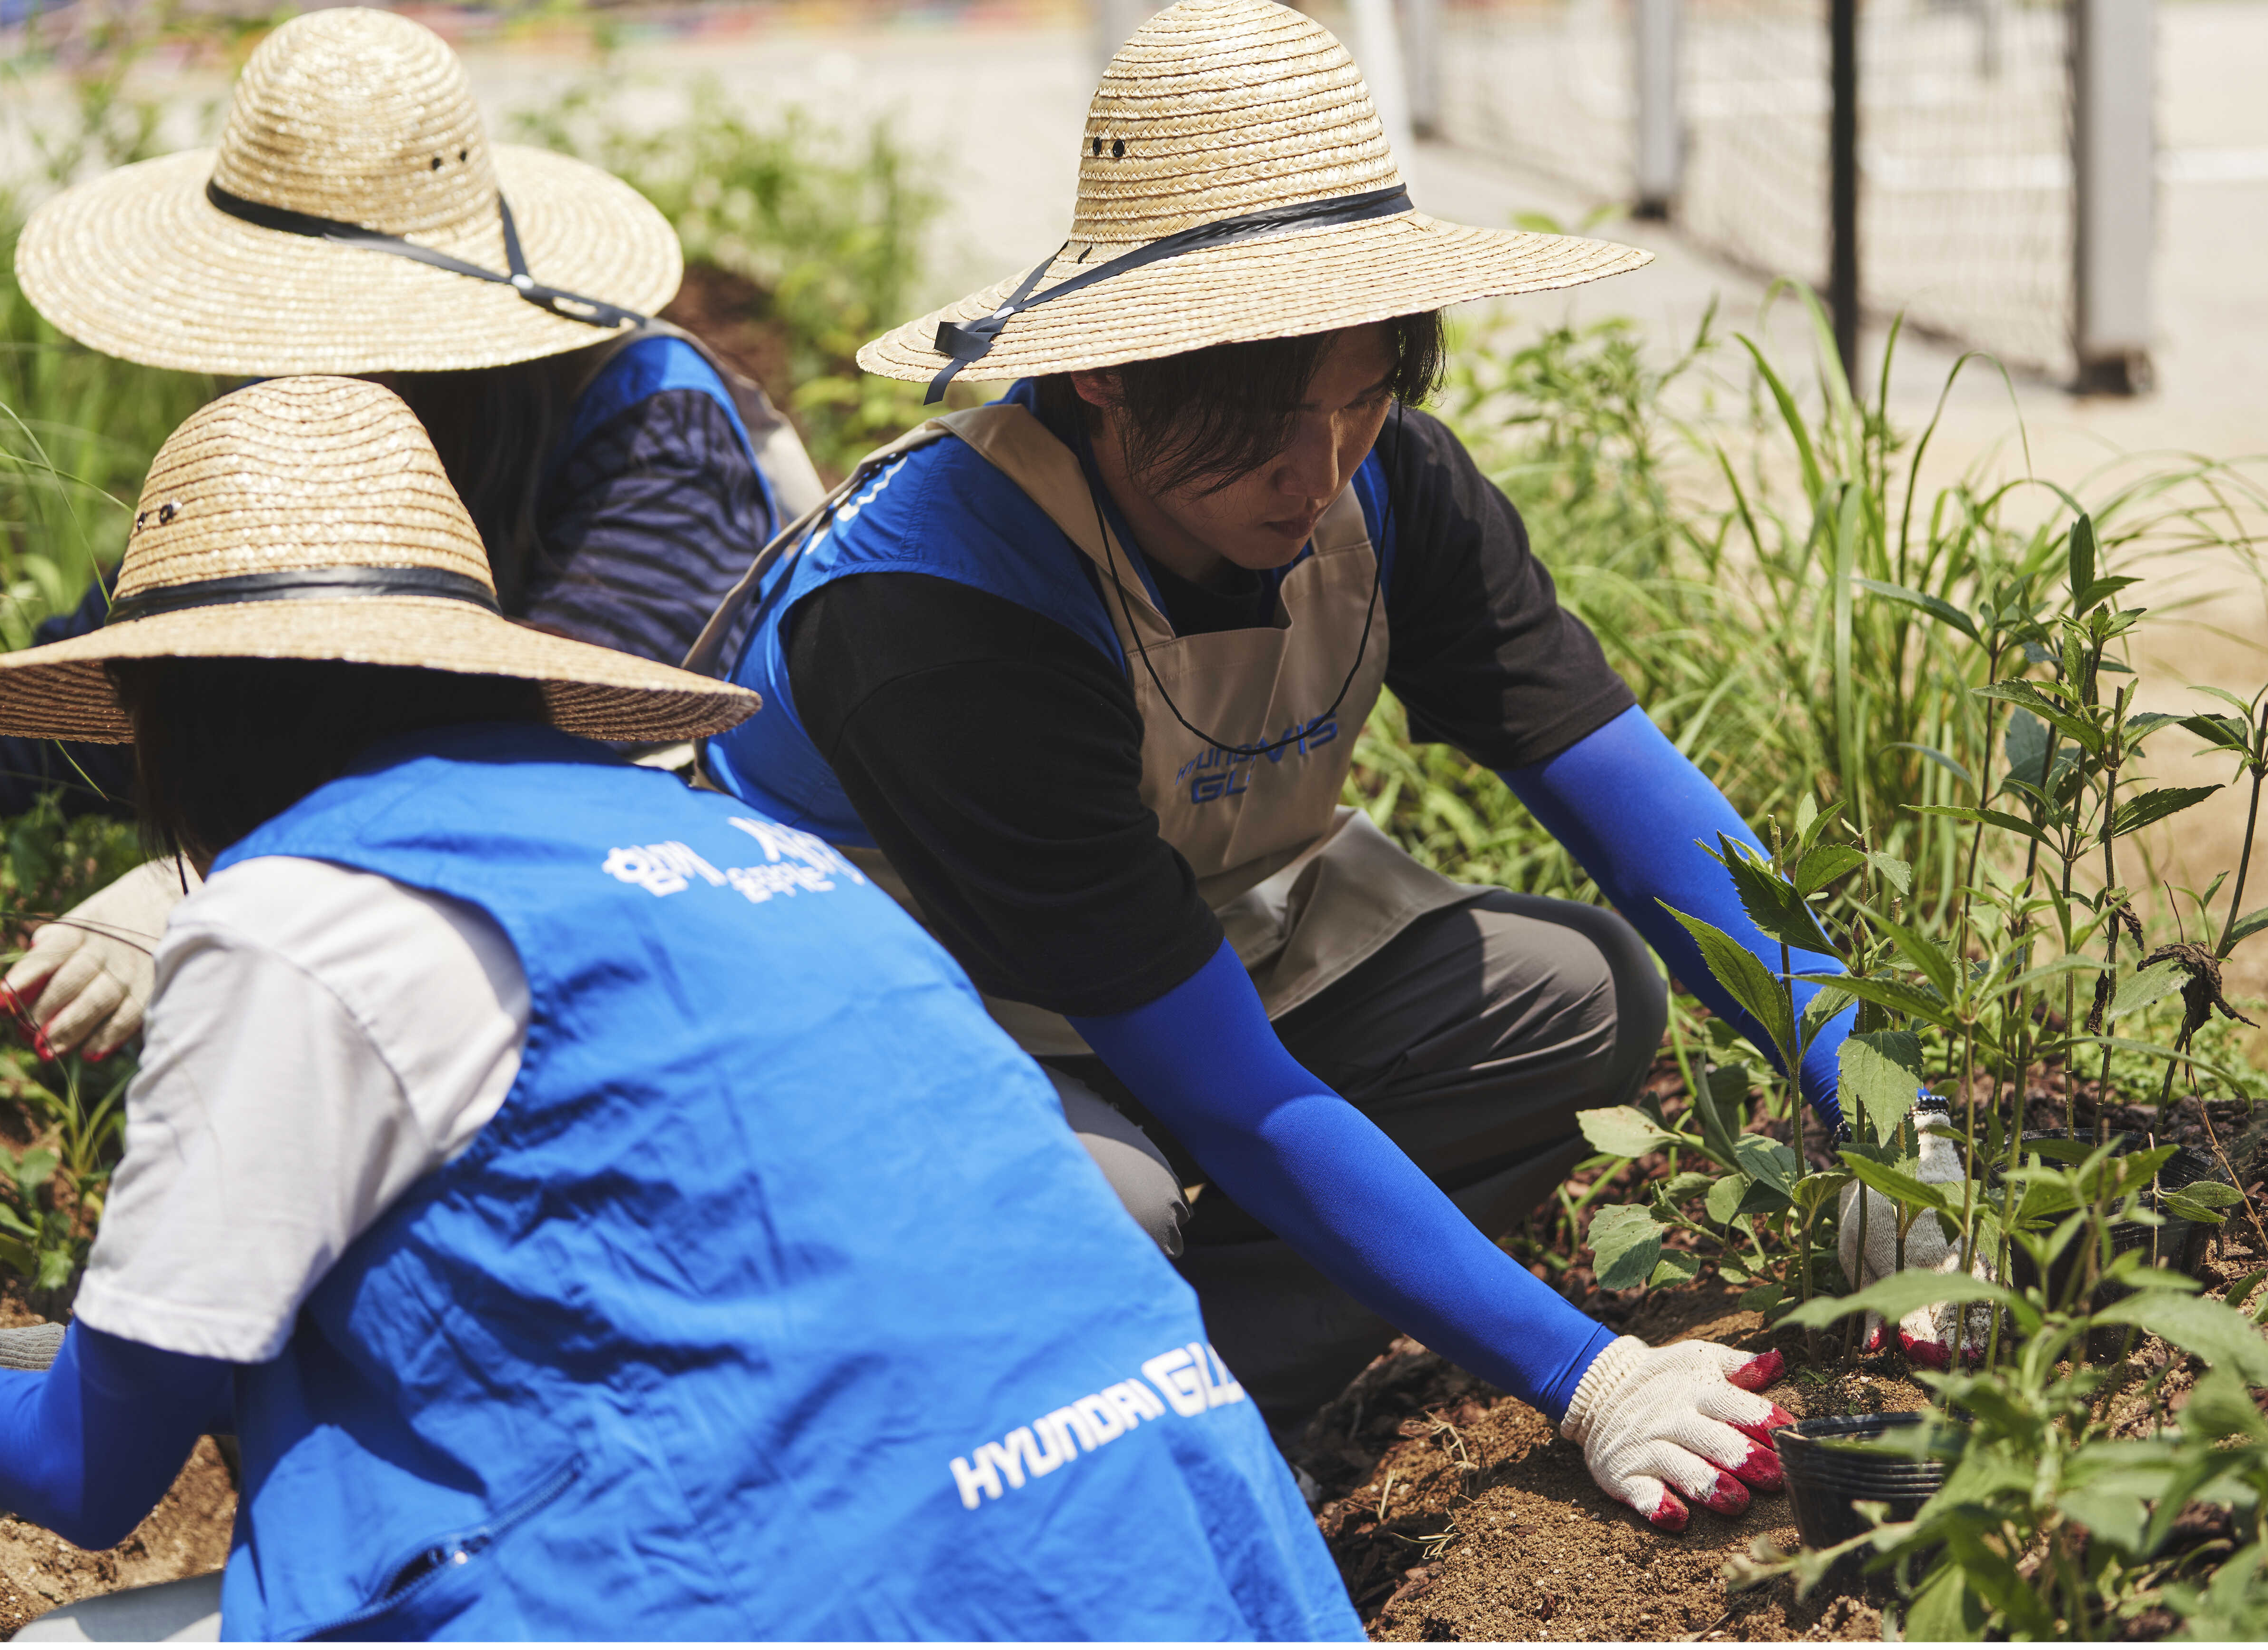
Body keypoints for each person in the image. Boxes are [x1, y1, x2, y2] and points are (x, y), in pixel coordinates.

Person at [0, 376, 1357, 1640]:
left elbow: (86, 1465)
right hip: (1176, 1555)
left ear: (163, 715)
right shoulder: (738, 849)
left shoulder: (292, 919)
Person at [695, 0, 1873, 1531]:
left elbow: (1627, 794)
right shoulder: (941, 611)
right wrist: (1588, 1374)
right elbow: (1234, 1092)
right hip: (900, 1010)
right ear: (1108, 373)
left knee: (1573, 996)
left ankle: (1229, 1394)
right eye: (1257, 421)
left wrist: (1873, 1090)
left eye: (1362, 395)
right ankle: (1036, 1466)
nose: (1314, 475)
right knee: (1102, 1205)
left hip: (1154, 963)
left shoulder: (1390, 484)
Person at [0, 7, 821, 1064]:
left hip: (683, 917)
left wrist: (222, 880)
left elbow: (563, 731)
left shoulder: (650, 426)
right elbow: (155, 648)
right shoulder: (320, 406)